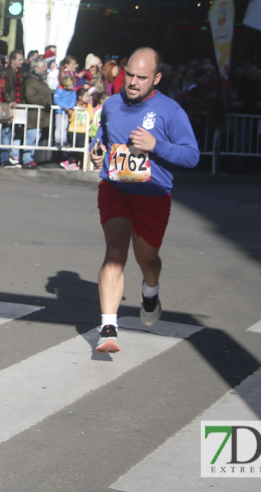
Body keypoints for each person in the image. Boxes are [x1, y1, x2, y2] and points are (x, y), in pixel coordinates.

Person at [89, 47, 199, 353]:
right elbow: (103, 135)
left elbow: (192, 156)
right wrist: (96, 149)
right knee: (115, 252)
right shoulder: (112, 104)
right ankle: (108, 327)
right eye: (129, 75)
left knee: (147, 260)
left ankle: (151, 290)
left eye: (141, 77)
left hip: (152, 196)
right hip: (115, 189)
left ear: (157, 78)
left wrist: (157, 145)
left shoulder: (171, 111)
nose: (133, 82)